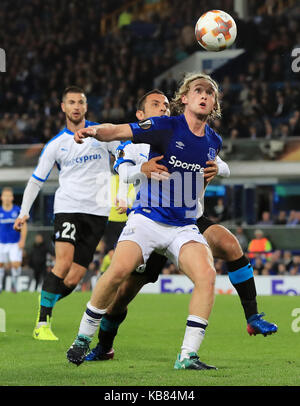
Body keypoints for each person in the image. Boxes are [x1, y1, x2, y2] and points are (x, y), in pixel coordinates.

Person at [67, 74, 277, 369]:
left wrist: (217, 169)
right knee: (119, 276)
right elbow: (117, 132)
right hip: (148, 220)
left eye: (210, 93)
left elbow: (206, 171)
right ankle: (86, 339)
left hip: (184, 224)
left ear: (214, 103)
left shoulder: (213, 141)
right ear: (185, 99)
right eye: (198, 91)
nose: (204, 96)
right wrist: (91, 131)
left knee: (207, 276)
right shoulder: (162, 127)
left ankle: (188, 355)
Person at [13, 86, 120, 340]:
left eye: (80, 102)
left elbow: (124, 157)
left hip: (97, 212)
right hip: (68, 208)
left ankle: (45, 300)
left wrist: (126, 187)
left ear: (85, 106)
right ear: (63, 107)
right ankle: (42, 325)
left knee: (74, 278)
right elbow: (37, 180)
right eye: (71, 102)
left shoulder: (102, 134)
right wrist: (24, 212)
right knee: (62, 264)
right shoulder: (56, 145)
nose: (76, 106)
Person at [0, 187, 27, 293]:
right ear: (1, 197)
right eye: (5, 196)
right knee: (0, 264)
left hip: (15, 243)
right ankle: (0, 286)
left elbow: (24, 226)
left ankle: (15, 285)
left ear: (12, 198)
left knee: (15, 265)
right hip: (1, 242)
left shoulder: (17, 210)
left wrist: (22, 240)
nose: (7, 198)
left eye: (9, 196)